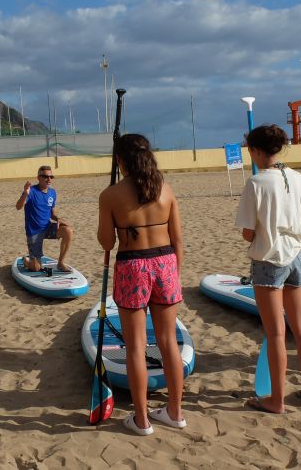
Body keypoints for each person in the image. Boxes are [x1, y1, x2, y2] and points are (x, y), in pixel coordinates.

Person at [97, 134, 185, 435]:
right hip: (166, 264)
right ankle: (175, 412)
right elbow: (178, 239)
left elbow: (107, 242)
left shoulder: (110, 195)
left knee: (135, 346)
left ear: (120, 160)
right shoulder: (166, 190)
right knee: (168, 341)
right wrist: (175, 275)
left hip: (132, 264)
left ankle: (142, 420)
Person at [235, 124, 301, 412]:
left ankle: (277, 400)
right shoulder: (297, 178)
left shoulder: (256, 183)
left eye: (251, 150)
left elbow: (247, 233)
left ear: (257, 150)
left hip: (268, 260)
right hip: (296, 255)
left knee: (276, 333)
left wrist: (265, 229)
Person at [16, 165, 73, 272]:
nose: (49, 179)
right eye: (45, 176)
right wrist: (25, 194)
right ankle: (26, 261)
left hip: (47, 228)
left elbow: (52, 214)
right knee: (36, 268)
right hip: (34, 232)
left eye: (51, 177)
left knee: (68, 231)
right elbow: (18, 207)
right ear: (38, 177)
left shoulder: (52, 192)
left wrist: (58, 219)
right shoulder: (31, 191)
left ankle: (60, 263)